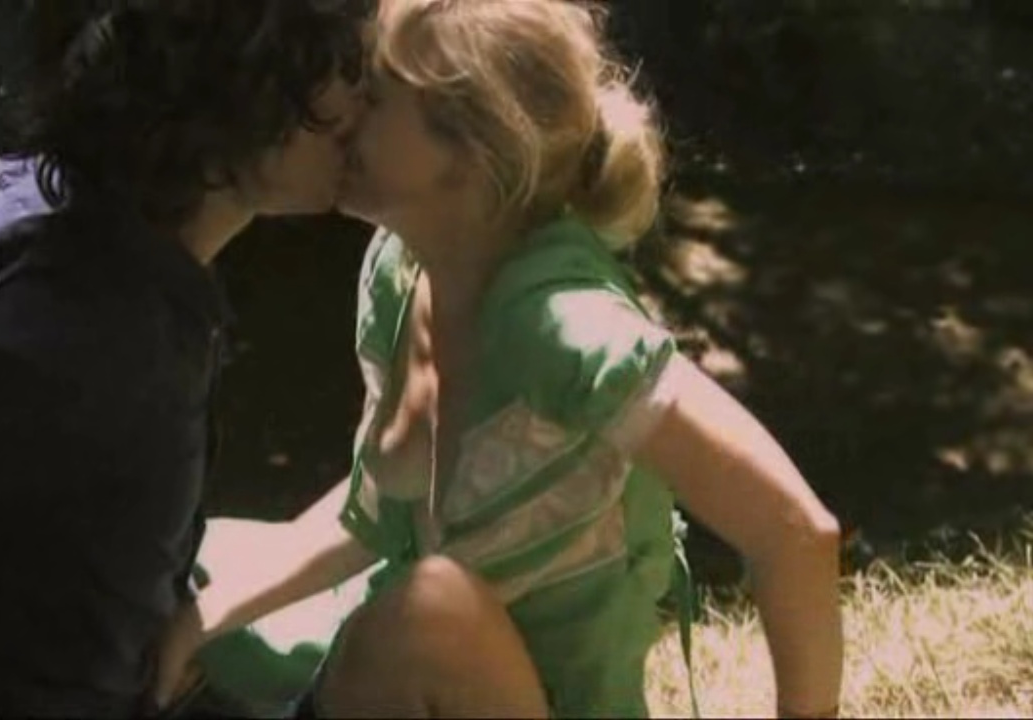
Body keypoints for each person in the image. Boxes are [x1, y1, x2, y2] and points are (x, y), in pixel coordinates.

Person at [157, 0, 845, 717]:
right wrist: (203, 617)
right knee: (187, 564)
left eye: (376, 92)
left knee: (427, 610)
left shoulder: (563, 327)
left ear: (471, 150)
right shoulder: (399, 273)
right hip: (417, 656)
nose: (342, 110)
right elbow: (378, 518)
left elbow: (794, 532)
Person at [0, 0, 376, 715]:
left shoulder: (2, 199)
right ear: (239, 102)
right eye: (336, 66)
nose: (365, 94)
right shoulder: (122, 371)